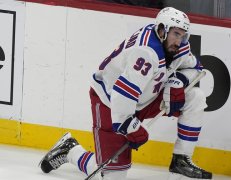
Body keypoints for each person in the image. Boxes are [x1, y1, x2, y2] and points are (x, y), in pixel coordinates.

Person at [39, 7, 212, 180]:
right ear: (161, 30)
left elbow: (196, 68)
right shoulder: (145, 53)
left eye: (183, 35)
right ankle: (71, 151)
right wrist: (130, 126)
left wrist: (178, 80)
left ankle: (181, 159)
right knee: (113, 176)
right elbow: (122, 94)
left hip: (145, 97)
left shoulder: (176, 46)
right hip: (111, 103)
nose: (179, 40)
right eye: (176, 34)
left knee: (195, 98)